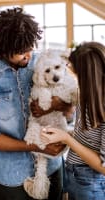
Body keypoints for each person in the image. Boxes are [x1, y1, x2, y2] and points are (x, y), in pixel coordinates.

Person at [0, 7, 70, 200]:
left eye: (30, 47)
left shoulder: (42, 62)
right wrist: (35, 146)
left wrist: (58, 105)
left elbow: (71, 106)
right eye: (21, 51)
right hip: (11, 176)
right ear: (2, 48)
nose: (29, 55)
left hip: (52, 166)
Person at [41, 41, 105, 200]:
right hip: (77, 175)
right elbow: (89, 136)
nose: (72, 77)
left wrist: (67, 139)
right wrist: (64, 134)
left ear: (88, 75)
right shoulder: (91, 94)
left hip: (90, 181)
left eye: (76, 74)